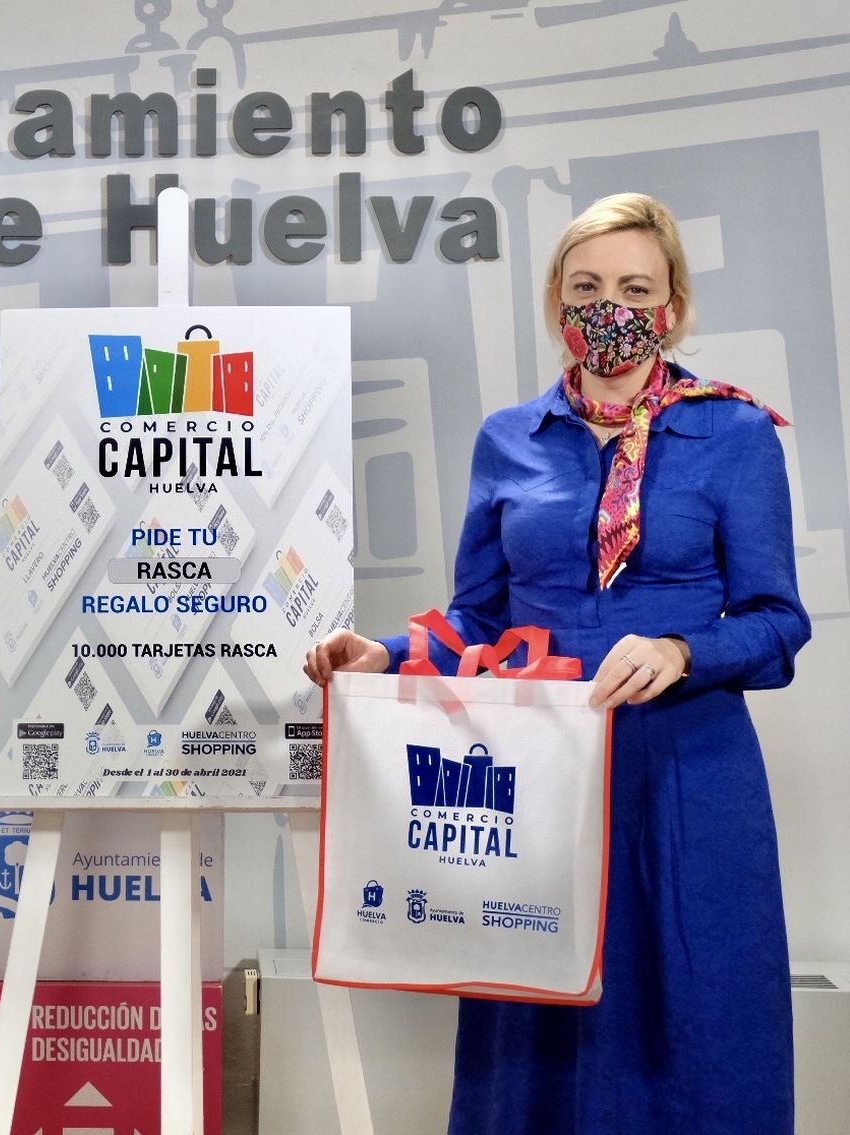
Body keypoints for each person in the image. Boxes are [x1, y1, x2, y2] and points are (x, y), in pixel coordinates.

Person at [303, 193, 810, 1133]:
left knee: (696, 1027)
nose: (607, 306)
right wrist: (386, 653)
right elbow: (477, 618)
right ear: (554, 299)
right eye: (586, 286)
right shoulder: (509, 438)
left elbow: (780, 624)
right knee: (534, 1035)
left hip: (687, 782)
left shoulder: (734, 435)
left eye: (633, 287)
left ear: (673, 304)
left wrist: (680, 648)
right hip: (534, 780)